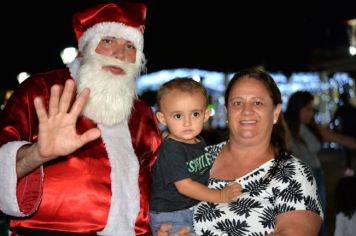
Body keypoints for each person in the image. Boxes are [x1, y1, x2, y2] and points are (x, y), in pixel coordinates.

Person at [0, 2, 162, 236]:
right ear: (86, 46)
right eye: (108, 41)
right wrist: (37, 154)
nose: (120, 54)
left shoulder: (143, 113)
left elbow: (156, 185)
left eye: (130, 45)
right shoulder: (40, 91)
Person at [159, 68, 323, 236]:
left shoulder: (293, 173)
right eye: (237, 103)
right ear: (227, 110)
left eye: (257, 102)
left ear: (275, 112)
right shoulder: (197, 157)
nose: (246, 110)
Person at [149, 78, 241, 235]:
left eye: (195, 114)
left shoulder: (199, 142)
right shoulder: (171, 149)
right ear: (163, 119)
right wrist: (220, 195)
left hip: (190, 208)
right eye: (178, 116)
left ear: (205, 115)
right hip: (170, 214)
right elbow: (185, 186)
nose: (187, 123)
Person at [284, 90, 356, 236]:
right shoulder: (284, 128)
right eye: (308, 109)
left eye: (313, 109)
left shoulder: (313, 128)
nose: (311, 113)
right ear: (297, 107)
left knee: (318, 220)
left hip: (316, 176)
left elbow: (339, 139)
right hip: (296, 179)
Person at [330, 91, 356, 176]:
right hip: (351, 131)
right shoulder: (351, 108)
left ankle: (349, 171)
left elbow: (333, 120)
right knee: (349, 151)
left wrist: (336, 130)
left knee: (348, 153)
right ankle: (349, 171)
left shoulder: (342, 108)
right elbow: (334, 120)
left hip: (346, 132)